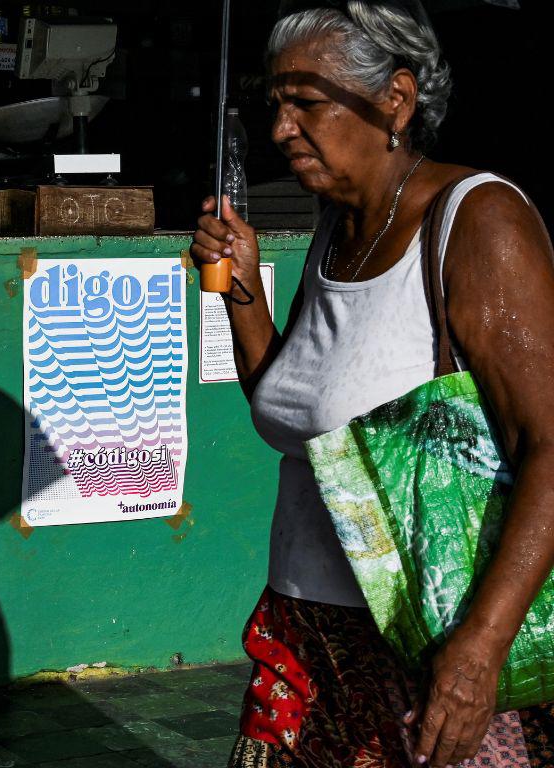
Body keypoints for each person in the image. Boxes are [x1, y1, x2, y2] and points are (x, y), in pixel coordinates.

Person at [191, 1, 554, 765]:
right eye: (276, 106)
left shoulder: (477, 219)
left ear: (395, 98)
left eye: (308, 103)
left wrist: (480, 649)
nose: (283, 129)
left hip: (432, 645)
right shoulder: (337, 230)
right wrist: (241, 288)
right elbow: (291, 414)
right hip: (307, 635)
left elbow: (552, 445)